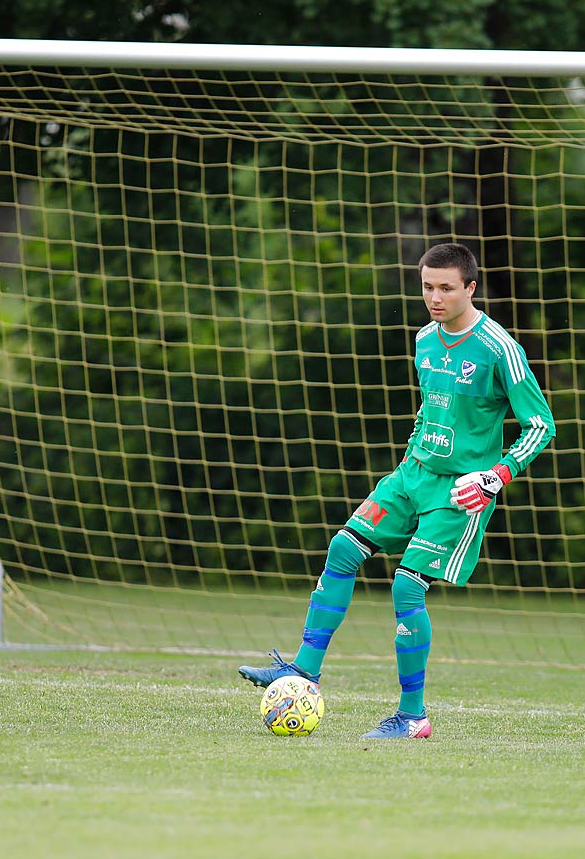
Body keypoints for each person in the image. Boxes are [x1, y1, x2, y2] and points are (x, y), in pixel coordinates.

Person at [236, 243, 556, 739]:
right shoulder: (424, 340)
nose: (435, 296)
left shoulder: (499, 349)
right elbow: (430, 411)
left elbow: (540, 425)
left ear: (470, 287)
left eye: (446, 287)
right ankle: (301, 668)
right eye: (428, 286)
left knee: (407, 586)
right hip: (411, 475)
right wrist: (410, 460)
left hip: (459, 491)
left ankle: (413, 717)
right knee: (343, 548)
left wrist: (496, 476)